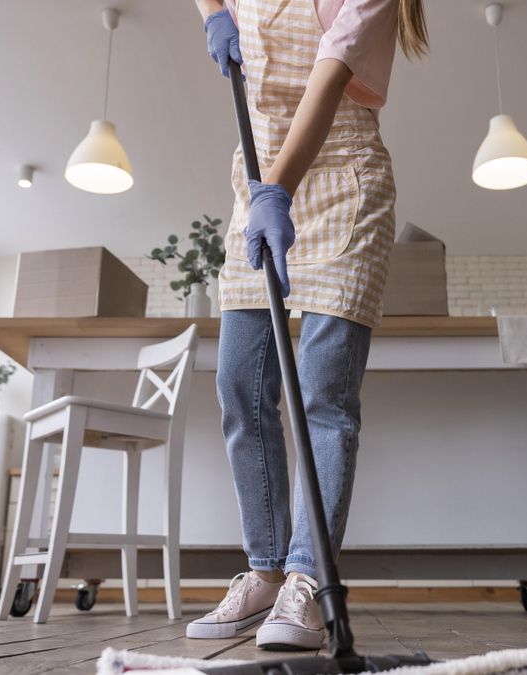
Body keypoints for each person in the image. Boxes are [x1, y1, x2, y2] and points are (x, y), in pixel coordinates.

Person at [187, 0, 428, 651]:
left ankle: (306, 576)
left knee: (324, 397)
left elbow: (327, 83)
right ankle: (264, 570)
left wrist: (280, 192)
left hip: (342, 173)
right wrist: (213, 13)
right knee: (241, 387)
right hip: (260, 178)